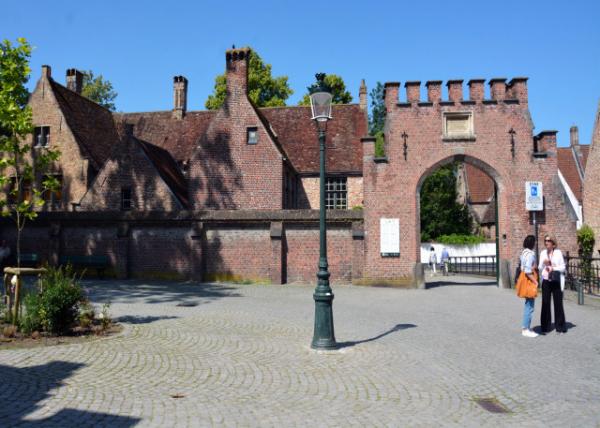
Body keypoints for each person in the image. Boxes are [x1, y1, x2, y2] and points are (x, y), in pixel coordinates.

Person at [539, 234, 567, 334]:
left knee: (558, 303)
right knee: (545, 303)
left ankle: (560, 326)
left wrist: (553, 268)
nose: (546, 242)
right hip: (546, 281)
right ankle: (545, 326)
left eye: (548, 241)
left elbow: (563, 267)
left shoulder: (558, 253)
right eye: (545, 241)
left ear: (553, 243)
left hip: (556, 280)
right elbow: (539, 267)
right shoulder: (543, 253)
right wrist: (544, 264)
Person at [520, 235, 539, 338]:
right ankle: (525, 329)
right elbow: (528, 271)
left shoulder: (524, 253)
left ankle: (526, 327)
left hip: (524, 280)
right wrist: (535, 281)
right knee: (529, 306)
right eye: (535, 242)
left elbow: (523, 267)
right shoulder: (531, 254)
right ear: (532, 243)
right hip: (529, 281)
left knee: (528, 304)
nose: (536, 243)